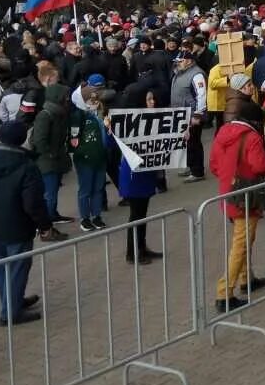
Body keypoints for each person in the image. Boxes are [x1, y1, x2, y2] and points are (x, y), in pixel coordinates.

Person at [0, 122, 66, 328]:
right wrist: (45, 225)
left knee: (2, 268)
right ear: (22, 139)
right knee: (18, 268)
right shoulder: (27, 165)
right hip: (19, 225)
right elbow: (33, 203)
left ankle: (12, 301)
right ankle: (10, 312)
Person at [209, 101, 265, 313]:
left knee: (244, 239)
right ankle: (224, 292)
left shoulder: (223, 132)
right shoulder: (252, 137)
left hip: (228, 193)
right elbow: (259, 165)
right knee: (241, 243)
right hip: (247, 196)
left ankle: (247, 278)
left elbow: (213, 165)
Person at [118, 89, 163, 265]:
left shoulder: (152, 119)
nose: (153, 102)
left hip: (146, 174)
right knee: (136, 216)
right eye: (149, 99)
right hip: (134, 176)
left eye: (153, 98)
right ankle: (132, 253)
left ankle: (142, 248)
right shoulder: (130, 122)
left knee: (142, 215)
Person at [69, 86, 109, 232]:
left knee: (98, 188)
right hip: (85, 160)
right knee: (85, 190)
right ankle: (85, 218)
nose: (96, 101)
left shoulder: (99, 114)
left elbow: (105, 136)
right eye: (92, 99)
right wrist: (82, 153)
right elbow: (73, 140)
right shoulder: (78, 117)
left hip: (100, 157)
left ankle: (96, 215)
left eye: (96, 99)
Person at [32, 84, 73, 224]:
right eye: (65, 96)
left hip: (55, 159)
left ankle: (52, 215)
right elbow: (39, 140)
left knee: (53, 191)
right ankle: (47, 223)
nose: (68, 99)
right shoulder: (45, 115)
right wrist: (50, 153)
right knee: (50, 193)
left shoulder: (59, 113)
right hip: (47, 161)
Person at [170, 51, 208, 183]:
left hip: (192, 115)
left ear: (189, 61)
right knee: (187, 142)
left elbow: (202, 95)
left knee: (194, 143)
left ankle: (197, 172)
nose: (178, 63)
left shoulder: (197, 74)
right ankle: (191, 166)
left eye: (181, 61)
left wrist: (197, 114)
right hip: (182, 114)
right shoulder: (181, 73)